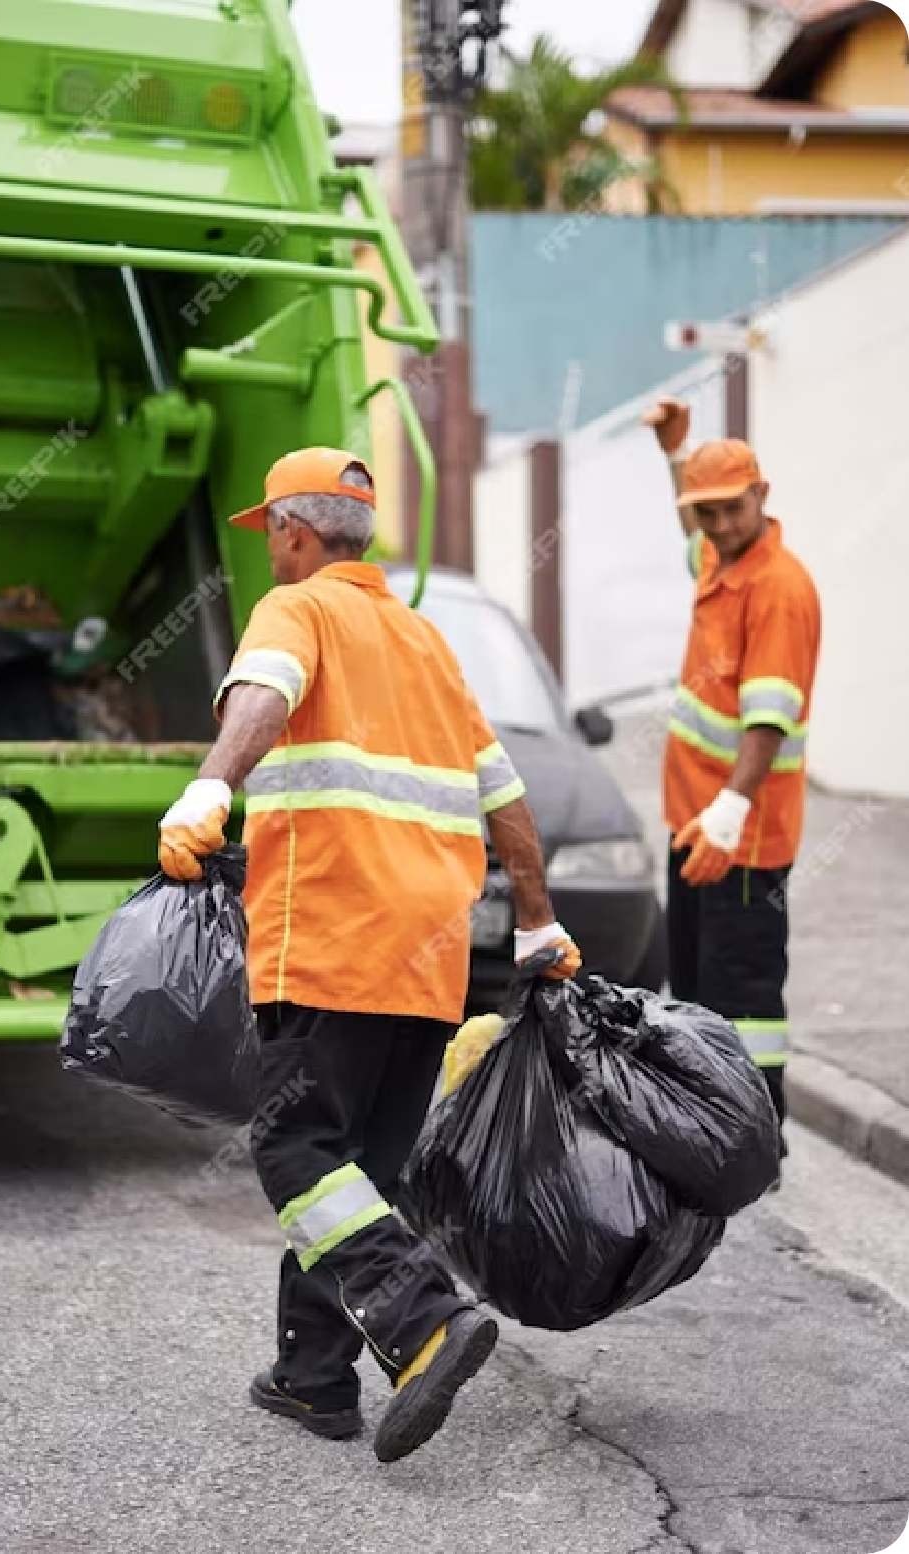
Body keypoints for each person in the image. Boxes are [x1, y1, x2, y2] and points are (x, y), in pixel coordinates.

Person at [157, 447, 581, 1463]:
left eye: (272, 535)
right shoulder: (427, 642)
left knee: (295, 1150)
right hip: (428, 956)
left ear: (296, 533)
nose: (271, 552)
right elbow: (505, 796)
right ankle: (314, 1380)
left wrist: (210, 788)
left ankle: (423, 1318)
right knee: (356, 1177)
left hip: (331, 933)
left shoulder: (297, 609)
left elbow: (263, 695)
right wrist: (536, 920)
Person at [644, 399, 822, 1143]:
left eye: (731, 509)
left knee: (742, 993)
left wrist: (729, 812)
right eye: (707, 512)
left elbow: (768, 721)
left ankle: (756, 1138)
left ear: (762, 496)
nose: (718, 524)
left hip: (741, 838)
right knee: (695, 985)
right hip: (697, 825)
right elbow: (694, 534)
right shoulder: (722, 559)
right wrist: (674, 453)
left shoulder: (777, 589)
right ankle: (709, 1129)